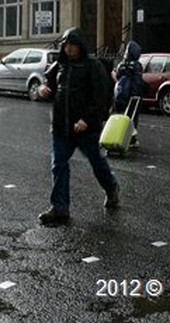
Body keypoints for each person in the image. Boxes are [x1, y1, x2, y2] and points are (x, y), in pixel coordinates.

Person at [36, 27, 120, 226]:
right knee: (58, 165)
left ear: (81, 45)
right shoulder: (60, 66)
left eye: (72, 44)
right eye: (66, 45)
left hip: (85, 128)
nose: (69, 48)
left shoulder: (93, 66)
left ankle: (112, 188)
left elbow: (101, 97)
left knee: (96, 162)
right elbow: (45, 82)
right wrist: (42, 89)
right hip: (61, 126)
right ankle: (60, 207)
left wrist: (88, 120)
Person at [112, 40, 145, 150]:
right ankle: (131, 140)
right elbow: (138, 81)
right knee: (132, 119)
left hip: (121, 95)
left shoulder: (121, 64)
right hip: (133, 96)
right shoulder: (136, 65)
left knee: (122, 117)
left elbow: (117, 77)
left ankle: (119, 136)